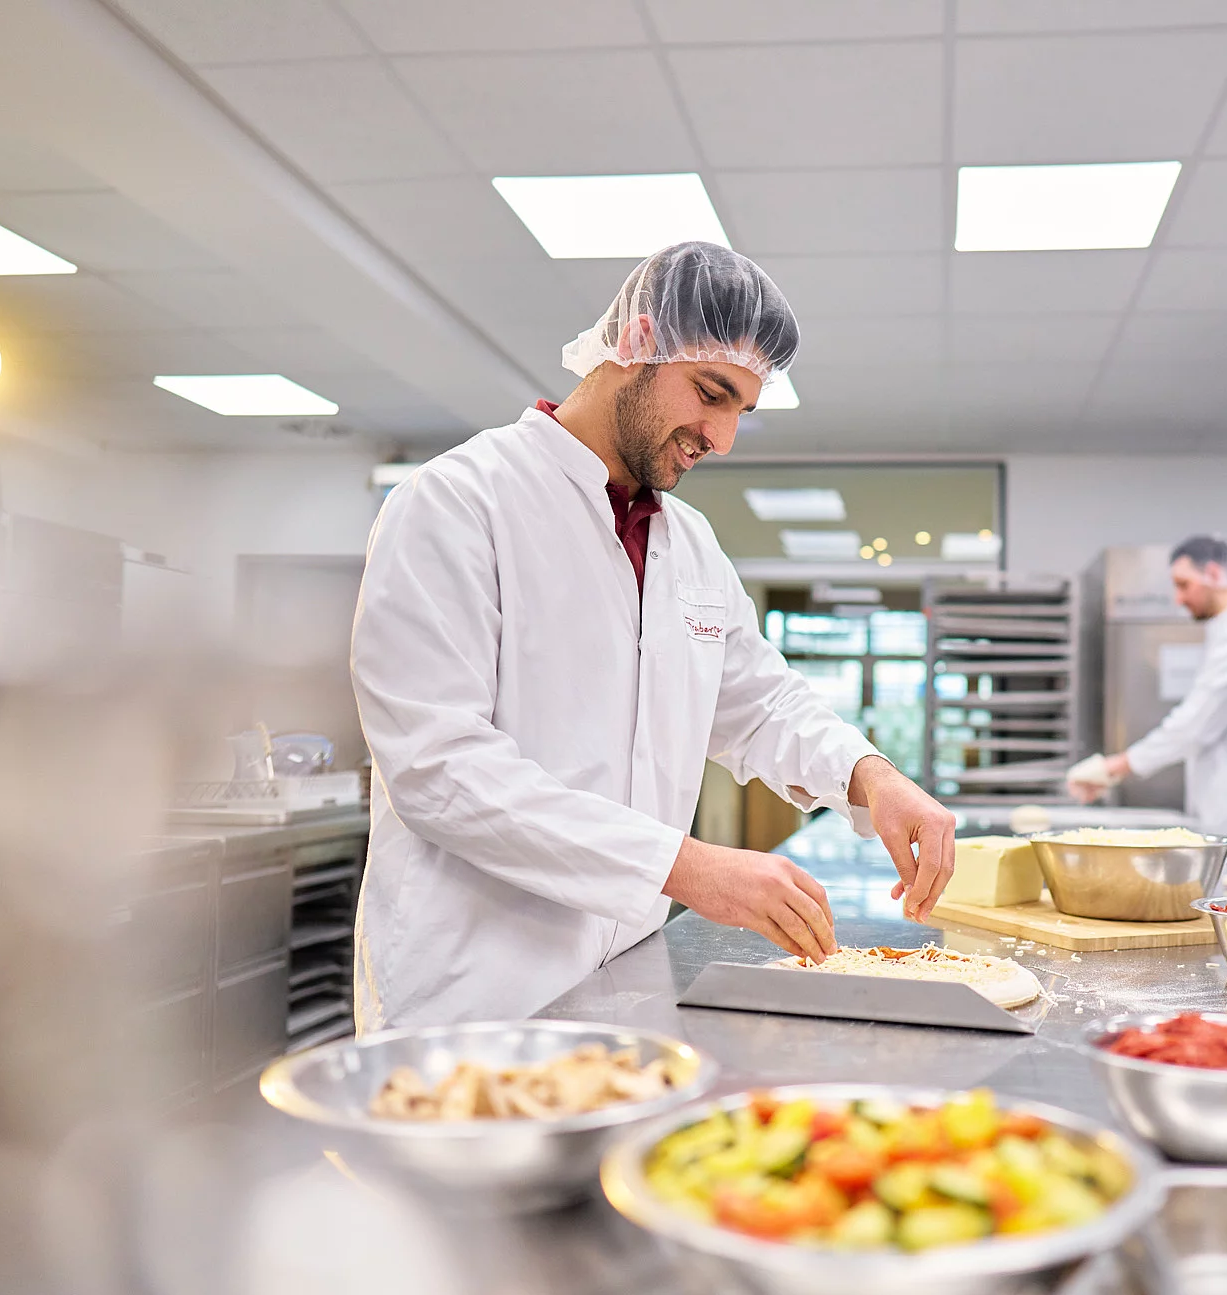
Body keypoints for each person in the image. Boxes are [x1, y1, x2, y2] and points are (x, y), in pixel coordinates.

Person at [349, 241, 956, 1029]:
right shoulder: (458, 503)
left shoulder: (689, 544)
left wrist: (871, 777)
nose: (723, 436)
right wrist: (684, 866)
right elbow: (438, 767)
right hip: (472, 1001)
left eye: (742, 408)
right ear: (635, 344)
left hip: (623, 989)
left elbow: (763, 702)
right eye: (712, 393)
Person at [1065, 535, 1227, 863]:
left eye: (1184, 584)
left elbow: (1196, 723)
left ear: (1213, 573)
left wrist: (1115, 766)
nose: (1178, 598)